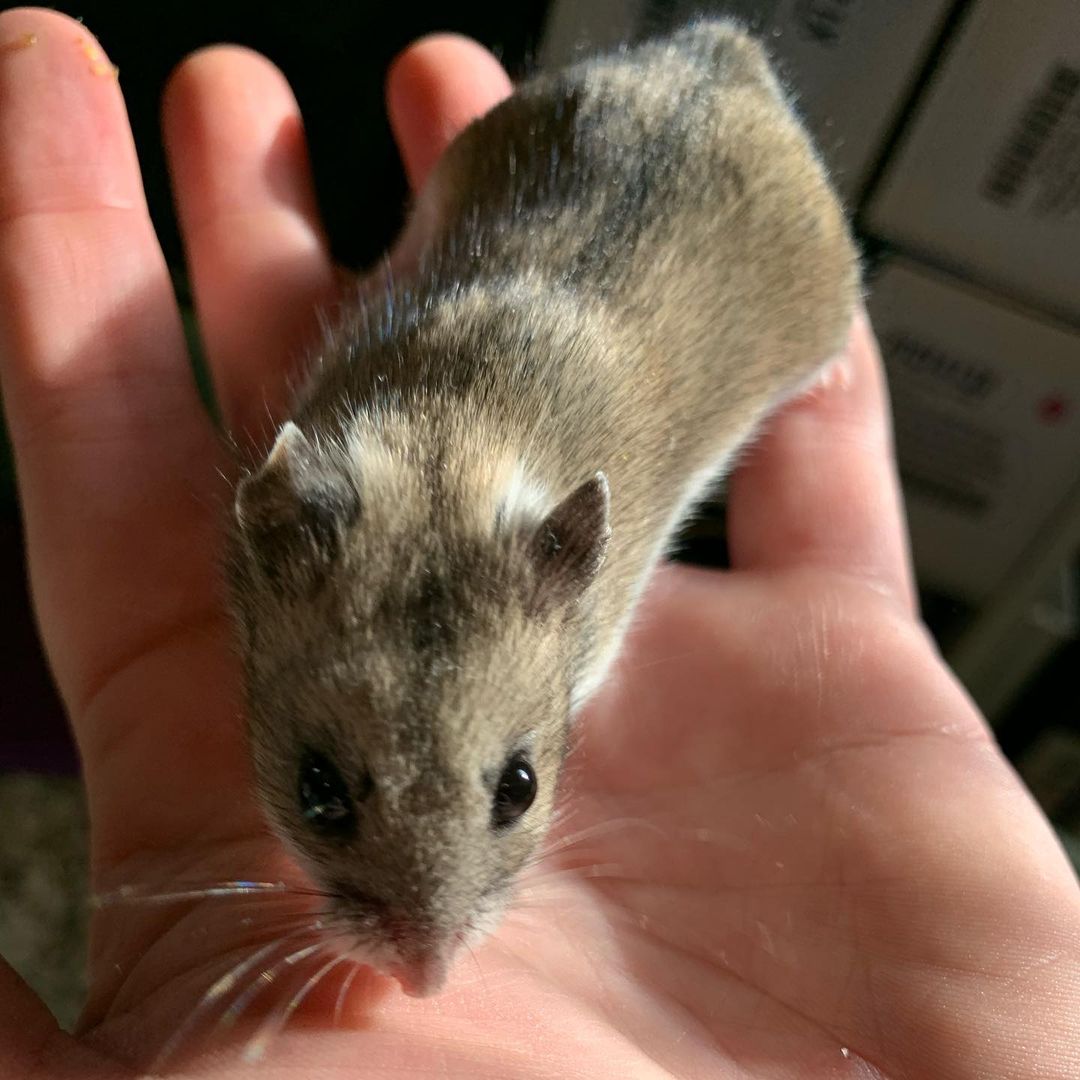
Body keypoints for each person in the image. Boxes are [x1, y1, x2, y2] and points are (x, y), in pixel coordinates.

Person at [0, 8, 1077, 1078]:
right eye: (326, 792)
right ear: (273, 540)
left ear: (574, 560)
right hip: (567, 182)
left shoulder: (554, 567)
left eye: (510, 788)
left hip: (742, 222)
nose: (426, 962)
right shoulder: (301, 504)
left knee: (808, 289)